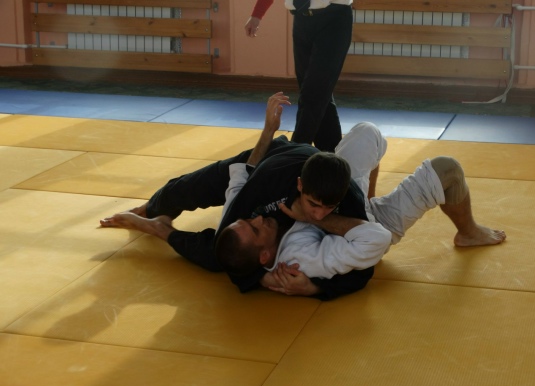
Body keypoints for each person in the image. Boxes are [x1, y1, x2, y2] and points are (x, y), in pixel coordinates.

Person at [101, 93, 377, 300]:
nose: (318, 213)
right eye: (312, 205)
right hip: (260, 162)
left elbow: (365, 270)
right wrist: (268, 132)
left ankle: (162, 229)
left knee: (219, 258)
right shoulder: (265, 185)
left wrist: (315, 288)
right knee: (184, 192)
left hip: (307, 175)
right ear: (300, 187)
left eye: (325, 208)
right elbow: (245, 175)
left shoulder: (347, 197)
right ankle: (153, 211)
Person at [215, 121, 507, 288]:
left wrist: (268, 129)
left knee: (367, 132)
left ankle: (365, 198)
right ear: (265, 255)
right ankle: (468, 232)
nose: (256, 218)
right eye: (255, 229)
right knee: (448, 170)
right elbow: (375, 238)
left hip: (336, 197)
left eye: (247, 221)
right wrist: (312, 218)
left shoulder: (239, 225)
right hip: (369, 227)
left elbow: (240, 180)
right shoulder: (298, 260)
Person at [245, 0, 353, 152]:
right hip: (302, 19)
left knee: (313, 92)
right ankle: (331, 155)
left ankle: (293, 152)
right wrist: (257, 15)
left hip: (334, 20)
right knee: (318, 94)